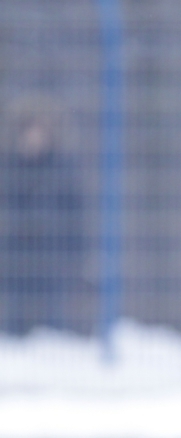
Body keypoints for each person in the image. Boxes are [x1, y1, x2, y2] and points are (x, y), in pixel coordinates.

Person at [0, 96, 88, 336]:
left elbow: (74, 214)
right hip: (15, 252)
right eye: (30, 131)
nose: (34, 137)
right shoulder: (9, 168)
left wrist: (75, 253)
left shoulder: (61, 168)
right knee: (13, 312)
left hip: (52, 252)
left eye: (40, 131)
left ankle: (55, 344)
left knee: (54, 315)